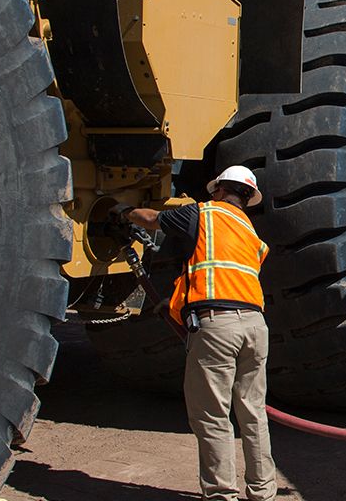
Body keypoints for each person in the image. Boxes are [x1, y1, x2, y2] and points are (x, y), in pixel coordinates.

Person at [115, 165, 277, 501]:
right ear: (247, 197)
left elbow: (151, 220)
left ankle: (221, 495)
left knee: (212, 416)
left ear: (219, 189)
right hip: (255, 328)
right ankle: (263, 492)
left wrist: (124, 211)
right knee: (253, 413)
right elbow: (218, 276)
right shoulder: (250, 233)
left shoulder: (203, 213)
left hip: (218, 327)